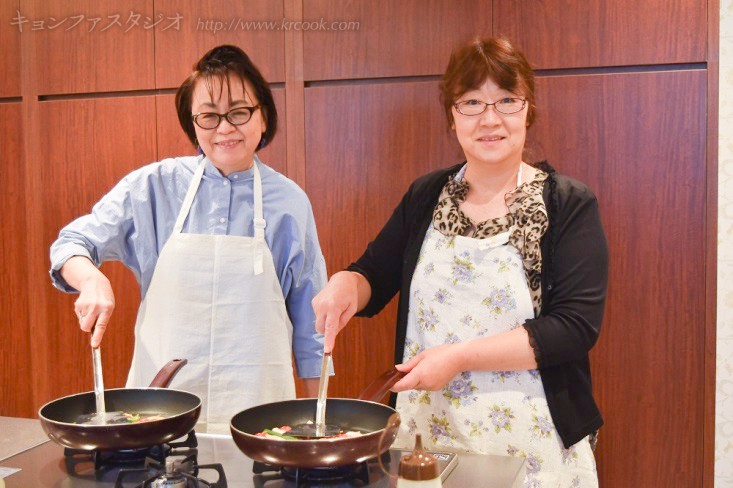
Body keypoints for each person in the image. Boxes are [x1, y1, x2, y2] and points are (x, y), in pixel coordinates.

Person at [312, 36, 607, 486]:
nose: (490, 119)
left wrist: (461, 357)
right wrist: (346, 284)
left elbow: (573, 329)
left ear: (528, 108)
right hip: (425, 438)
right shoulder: (427, 196)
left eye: (506, 100)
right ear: (452, 115)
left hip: (535, 440)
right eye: (471, 102)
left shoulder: (566, 203)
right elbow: (374, 273)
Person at [50, 45, 328, 434]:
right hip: (161, 410)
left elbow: (312, 324)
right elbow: (72, 242)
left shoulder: (290, 202)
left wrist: (317, 424)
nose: (225, 128)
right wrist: (91, 279)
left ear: (263, 115)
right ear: (193, 124)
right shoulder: (154, 186)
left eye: (238, 112)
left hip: (258, 412)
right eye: (209, 116)